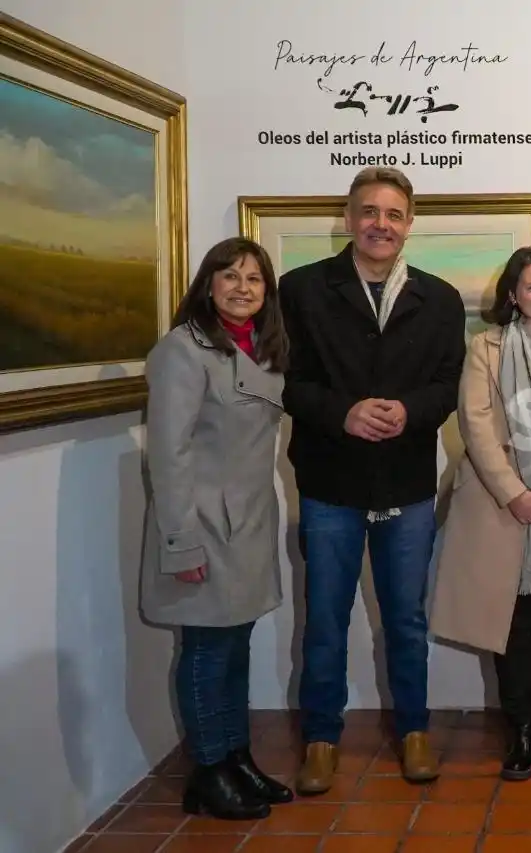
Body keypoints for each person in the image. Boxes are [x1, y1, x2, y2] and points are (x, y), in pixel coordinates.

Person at [280, 166, 466, 794]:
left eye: (393, 214)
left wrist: (410, 411)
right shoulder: (300, 290)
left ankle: (414, 729)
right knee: (325, 620)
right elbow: (289, 381)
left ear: (409, 224)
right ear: (349, 218)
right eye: (368, 212)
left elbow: (449, 383)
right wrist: (344, 413)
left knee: (406, 620)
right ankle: (321, 738)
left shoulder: (440, 299)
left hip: (408, 483)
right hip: (329, 483)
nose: (380, 224)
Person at [140, 237, 294, 819]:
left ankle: (236, 757)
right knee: (206, 650)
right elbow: (169, 457)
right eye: (229, 276)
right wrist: (182, 543)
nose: (241, 287)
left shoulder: (261, 350)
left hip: (248, 524)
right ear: (207, 284)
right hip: (203, 527)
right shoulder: (183, 351)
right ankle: (208, 771)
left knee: (235, 648)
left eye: (254, 279)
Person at [430, 247, 531, 781]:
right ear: (512, 295)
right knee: (513, 621)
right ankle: (521, 727)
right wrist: (515, 493)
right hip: (501, 510)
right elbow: (476, 425)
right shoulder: (485, 347)